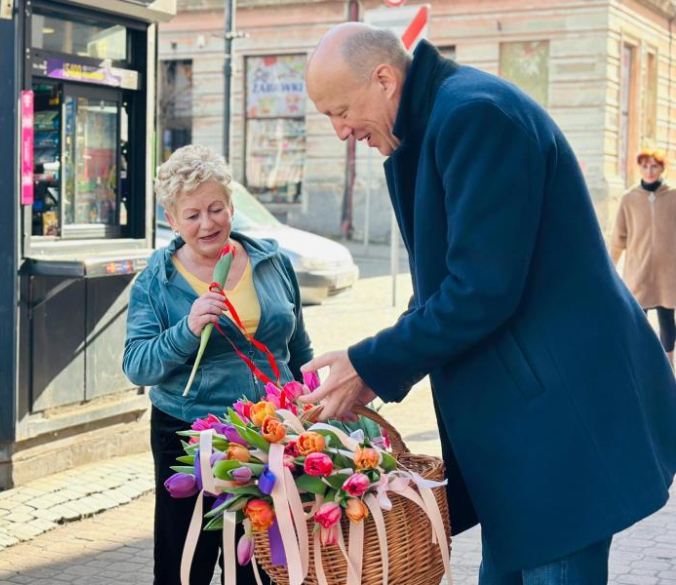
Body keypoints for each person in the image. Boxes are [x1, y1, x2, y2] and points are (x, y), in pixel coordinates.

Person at [300, 23, 676, 584]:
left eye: (340, 110)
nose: (339, 130)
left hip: (555, 428)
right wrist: (371, 371)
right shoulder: (445, 118)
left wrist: (370, 363)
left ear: (383, 79)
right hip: (526, 433)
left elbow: (481, 289)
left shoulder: (474, 115)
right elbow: (444, 288)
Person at [123, 144, 310, 585]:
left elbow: (297, 345)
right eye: (192, 215)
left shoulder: (271, 260)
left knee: (264, 565)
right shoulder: (158, 278)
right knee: (187, 563)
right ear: (172, 220)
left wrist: (312, 403)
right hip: (190, 437)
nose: (208, 224)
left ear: (230, 206)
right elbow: (137, 365)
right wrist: (186, 329)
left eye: (216, 208)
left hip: (270, 432)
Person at [610, 148, 676, 370]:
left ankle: (669, 365)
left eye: (654, 166)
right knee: (638, 319)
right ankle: (641, 365)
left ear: (661, 168)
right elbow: (619, 236)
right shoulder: (629, 199)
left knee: (667, 318)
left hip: (668, 272)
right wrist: (609, 265)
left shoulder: (673, 196)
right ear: (640, 167)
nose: (649, 170)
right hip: (638, 270)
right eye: (645, 166)